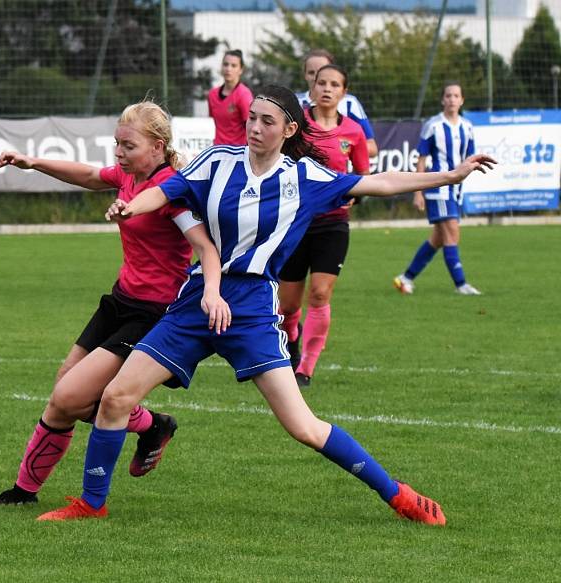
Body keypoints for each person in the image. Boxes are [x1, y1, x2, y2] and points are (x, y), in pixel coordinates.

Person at [36, 85, 495, 525]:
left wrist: (450, 176)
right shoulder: (217, 162)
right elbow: (167, 190)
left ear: (289, 130)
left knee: (304, 427)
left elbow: (381, 182)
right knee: (116, 397)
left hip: (252, 310)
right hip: (197, 302)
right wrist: (131, 206)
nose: (253, 126)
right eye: (251, 117)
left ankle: (397, 494)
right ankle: (91, 504)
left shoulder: (306, 178)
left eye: (266, 120)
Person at [0, 102, 230, 507]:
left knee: (70, 397)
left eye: (128, 145)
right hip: (119, 301)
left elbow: (205, 247)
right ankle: (23, 493)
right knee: (65, 389)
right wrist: (32, 162)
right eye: (116, 143)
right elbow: (91, 175)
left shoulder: (173, 192)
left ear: (157, 147)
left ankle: (148, 428)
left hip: (152, 315)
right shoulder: (129, 177)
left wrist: (211, 291)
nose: (118, 153)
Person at [279, 64, 369, 388]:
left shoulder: (354, 132)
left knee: (319, 294)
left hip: (333, 226)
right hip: (296, 222)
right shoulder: (297, 126)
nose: (327, 89)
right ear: (312, 87)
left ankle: (306, 367)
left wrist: (353, 197)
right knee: (287, 304)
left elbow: (362, 176)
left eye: (335, 84)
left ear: (344, 92)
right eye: (322, 83)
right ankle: (290, 340)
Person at [394, 82, 481, 296]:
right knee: (452, 233)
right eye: (448, 95)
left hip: (456, 190)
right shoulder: (433, 125)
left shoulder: (467, 127)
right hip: (439, 187)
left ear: (462, 100)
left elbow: (470, 159)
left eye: (456, 95)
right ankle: (461, 285)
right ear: (443, 100)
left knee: (438, 239)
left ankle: (405, 278)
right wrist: (418, 192)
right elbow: (421, 160)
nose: (452, 99)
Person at [295, 49, 378, 158]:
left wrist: (340, 147)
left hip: (341, 173)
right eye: (311, 72)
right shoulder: (294, 102)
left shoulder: (350, 103)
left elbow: (372, 148)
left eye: (321, 71)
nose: (316, 76)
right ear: (305, 75)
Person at [208, 49, 254, 146]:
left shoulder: (244, 94)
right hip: (218, 150)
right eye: (226, 64)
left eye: (233, 65)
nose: (228, 69)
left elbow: (251, 126)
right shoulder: (212, 94)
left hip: (237, 151)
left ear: (241, 69)